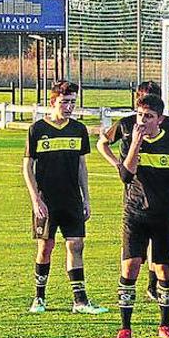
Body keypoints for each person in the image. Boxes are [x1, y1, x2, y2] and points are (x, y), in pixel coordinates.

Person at [113, 94, 169, 338]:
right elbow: (126, 176)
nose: (142, 121)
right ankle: (125, 328)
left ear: (159, 119)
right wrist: (136, 144)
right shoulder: (129, 141)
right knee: (131, 266)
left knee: (164, 269)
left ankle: (164, 324)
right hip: (135, 213)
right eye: (139, 115)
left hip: (165, 216)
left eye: (148, 117)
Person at [22, 80, 107, 315]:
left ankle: (80, 301)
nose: (69, 106)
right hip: (46, 201)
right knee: (45, 247)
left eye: (72, 102)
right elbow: (27, 166)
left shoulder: (78, 129)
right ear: (53, 102)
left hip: (72, 200)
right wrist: (35, 200)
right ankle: (39, 298)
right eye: (64, 102)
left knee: (76, 245)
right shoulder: (37, 130)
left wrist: (86, 198)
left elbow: (82, 166)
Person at [97, 81, 169, 302]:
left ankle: (153, 286)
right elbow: (102, 143)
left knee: (159, 252)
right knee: (134, 255)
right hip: (133, 191)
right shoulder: (125, 124)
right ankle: (134, 289)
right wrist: (116, 163)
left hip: (161, 198)